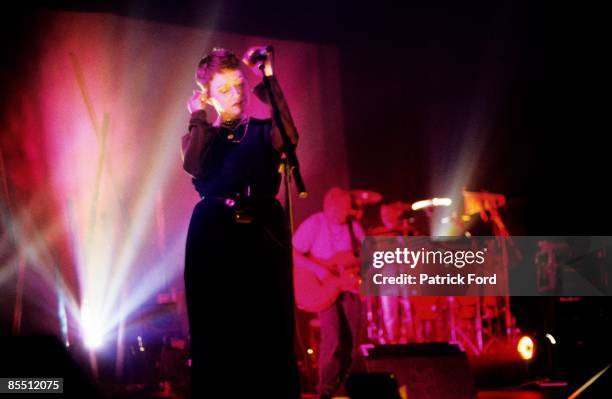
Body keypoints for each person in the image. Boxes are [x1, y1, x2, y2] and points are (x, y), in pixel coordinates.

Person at [181, 47, 300, 398]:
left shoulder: (264, 130)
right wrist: (199, 118)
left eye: (239, 86)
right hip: (214, 234)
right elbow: (194, 166)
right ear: (207, 96)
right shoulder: (201, 136)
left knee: (269, 322)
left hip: (261, 231)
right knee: (216, 328)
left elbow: (290, 139)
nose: (236, 95)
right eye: (224, 89)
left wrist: (271, 80)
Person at [293, 187, 365, 399]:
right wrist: (321, 270)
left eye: (348, 209)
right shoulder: (315, 223)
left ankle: (348, 386)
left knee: (354, 340)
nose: (347, 213)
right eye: (343, 209)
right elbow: (293, 252)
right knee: (332, 339)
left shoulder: (354, 226)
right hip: (323, 288)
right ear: (330, 207)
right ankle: (326, 391)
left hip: (349, 287)